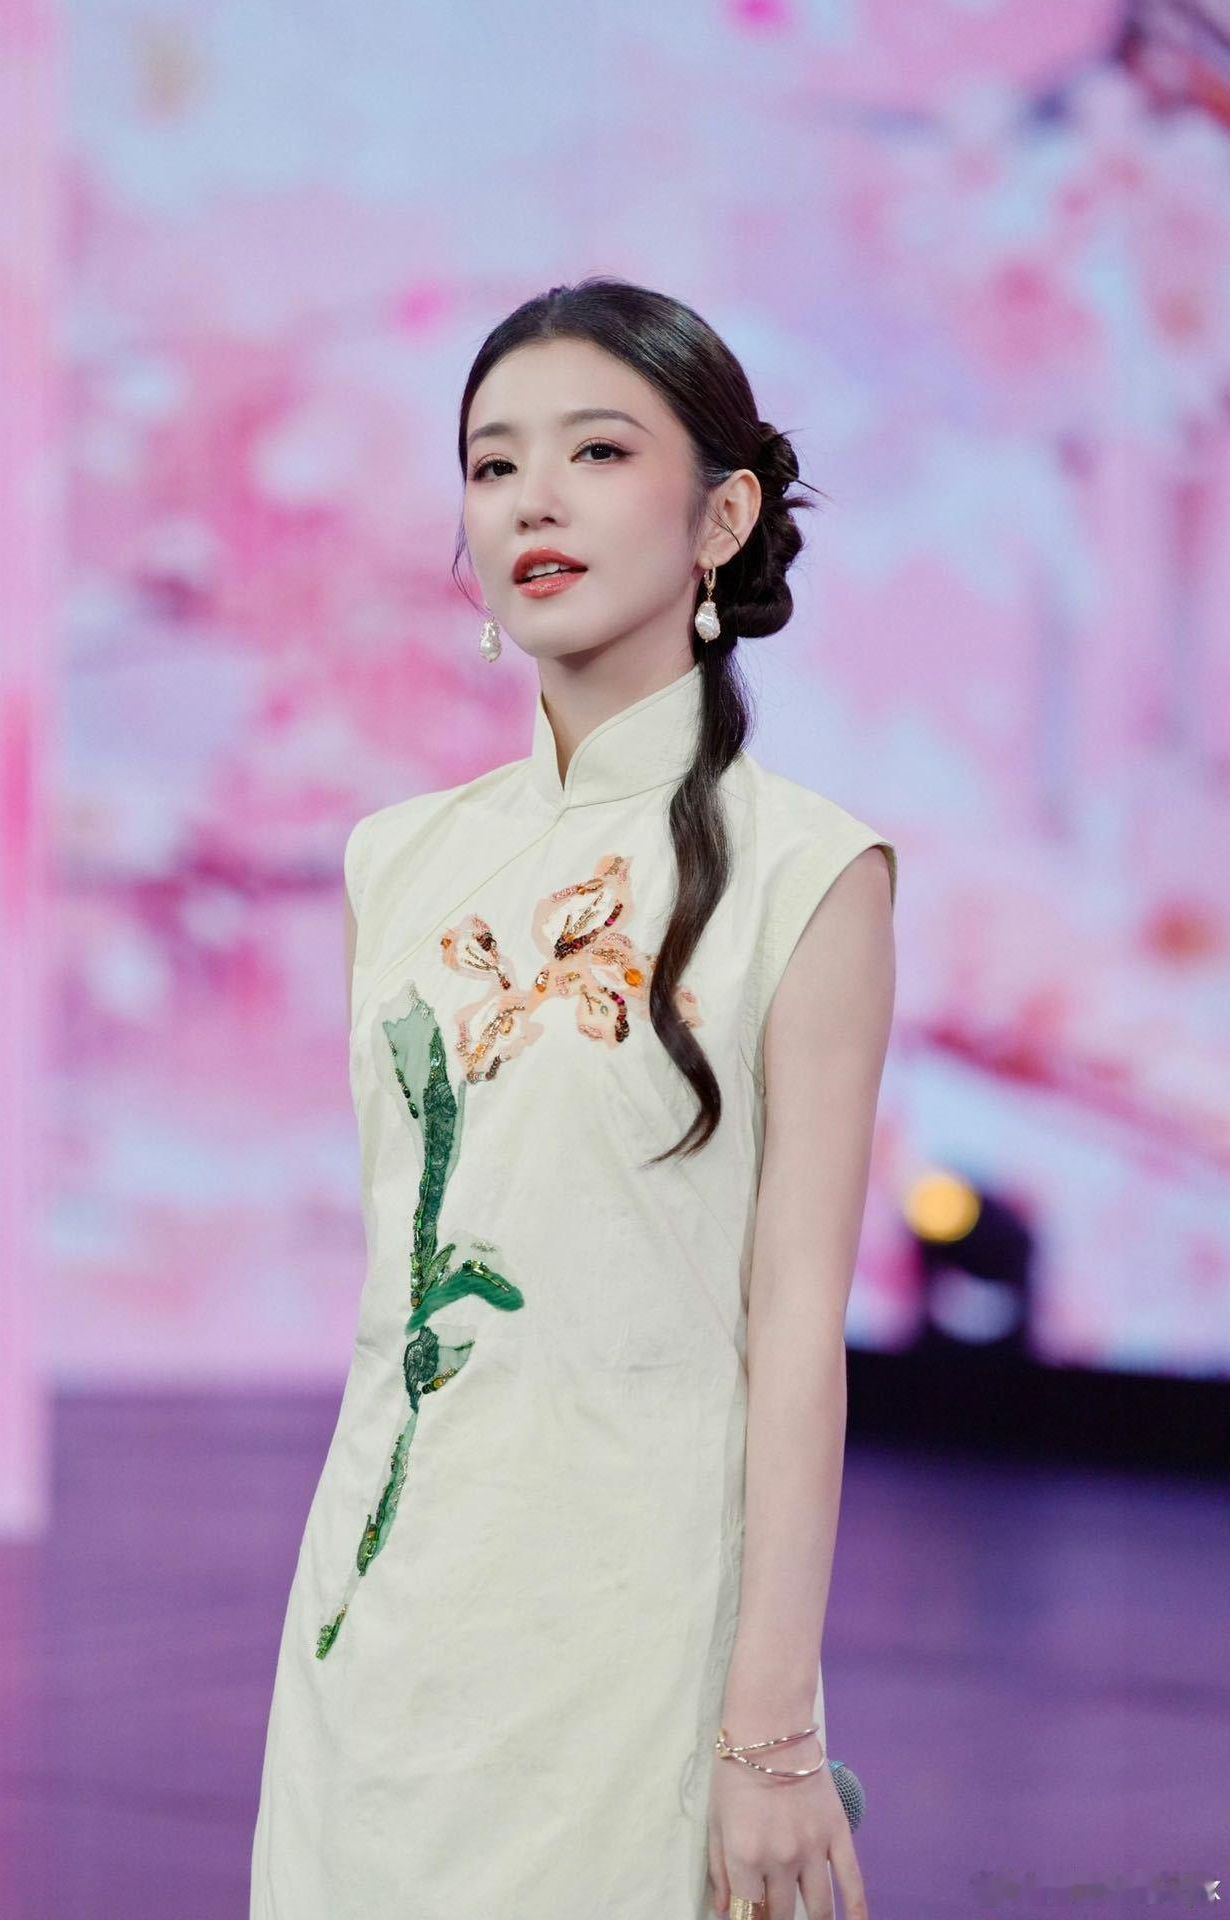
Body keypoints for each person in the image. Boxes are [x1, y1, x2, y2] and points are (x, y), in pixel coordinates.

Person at [249, 276, 897, 1920]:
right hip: (378, 1623)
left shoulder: (810, 874)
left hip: (637, 1645)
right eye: (492, 465)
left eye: (596, 451)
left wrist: (772, 1732)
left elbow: (795, 1329)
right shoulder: (396, 860)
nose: (532, 498)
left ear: (722, 516)